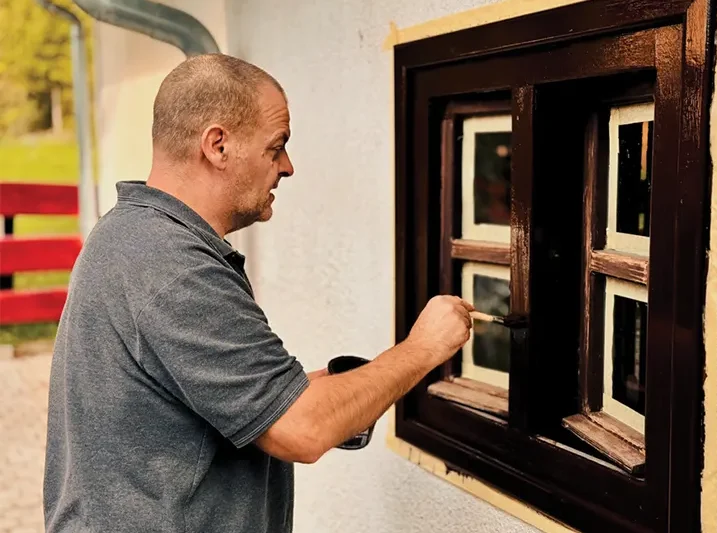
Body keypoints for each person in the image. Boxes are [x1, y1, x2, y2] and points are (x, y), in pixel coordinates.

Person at [43, 53, 474, 533]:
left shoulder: (129, 232)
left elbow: (192, 392)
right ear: (218, 146)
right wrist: (424, 347)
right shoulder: (174, 267)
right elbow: (302, 430)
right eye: (277, 146)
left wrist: (317, 390)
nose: (287, 167)